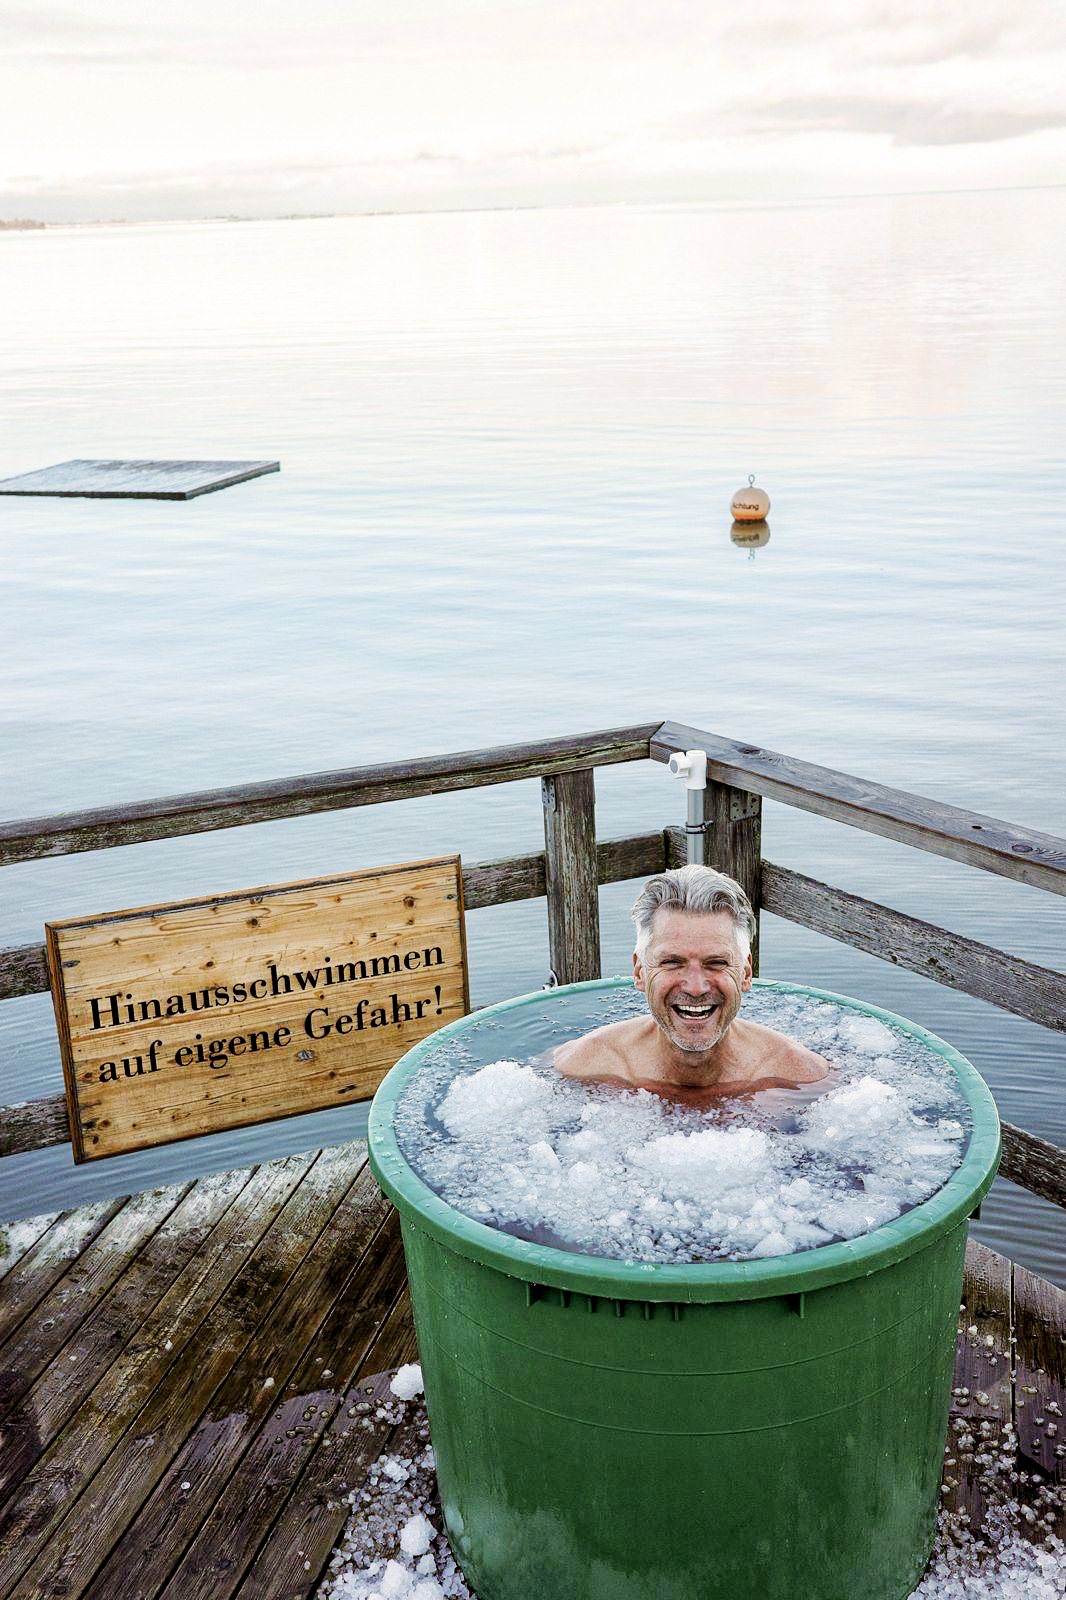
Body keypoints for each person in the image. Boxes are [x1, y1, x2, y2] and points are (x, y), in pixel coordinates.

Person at [554, 864, 830, 1107]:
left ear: (746, 973)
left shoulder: (798, 1075)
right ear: (640, 972)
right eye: (672, 962)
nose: (696, 988)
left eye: (717, 962)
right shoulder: (588, 1064)